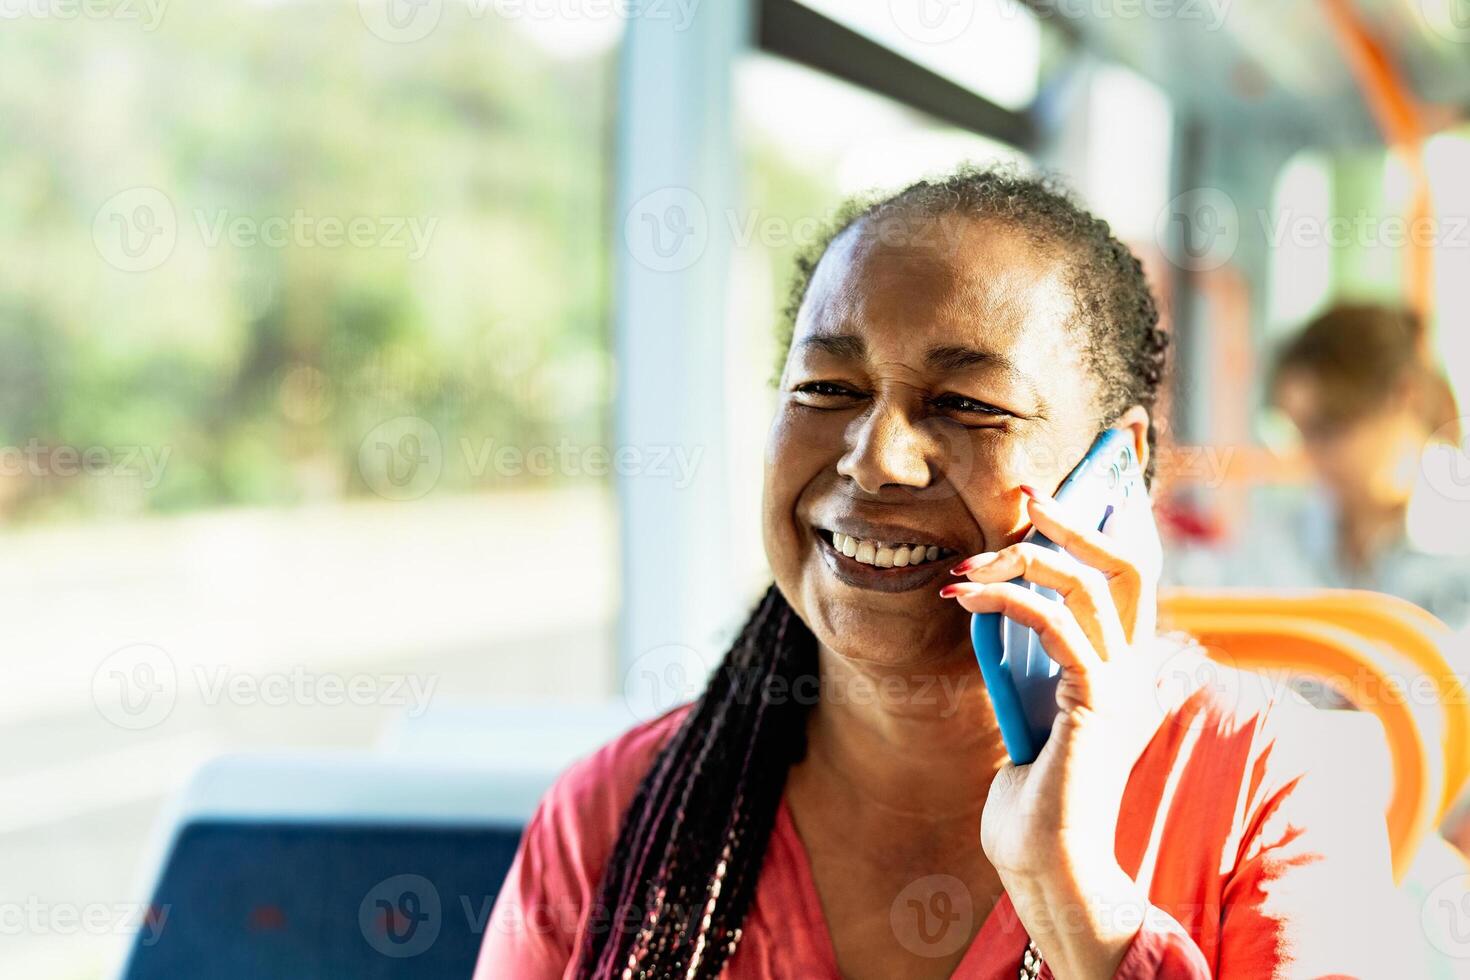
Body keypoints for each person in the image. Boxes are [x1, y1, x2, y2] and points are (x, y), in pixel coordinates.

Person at [475, 167, 1408, 978]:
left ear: (1112, 470)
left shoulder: (1274, 789)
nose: (875, 458)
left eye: (966, 403)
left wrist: (1076, 899)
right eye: (827, 390)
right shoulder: (612, 815)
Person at [1264, 304, 1470, 628]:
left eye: (1329, 427)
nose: (1312, 455)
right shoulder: (1282, 537)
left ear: (1405, 396)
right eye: (1300, 433)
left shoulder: (1459, 542)